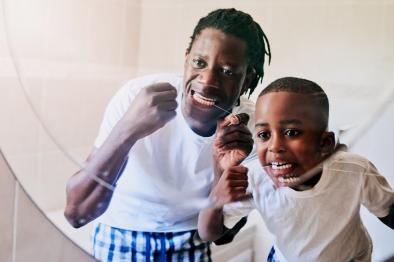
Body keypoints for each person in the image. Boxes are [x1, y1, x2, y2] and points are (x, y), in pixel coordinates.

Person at [64, 8, 271, 261]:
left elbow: (222, 235)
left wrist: (224, 170)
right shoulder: (136, 96)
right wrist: (129, 128)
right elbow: (76, 213)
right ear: (186, 59)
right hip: (118, 232)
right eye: (199, 62)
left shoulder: (253, 131)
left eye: (227, 71)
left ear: (248, 79)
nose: (206, 81)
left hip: (191, 239)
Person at [198, 77, 394, 261]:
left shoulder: (355, 170)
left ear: (325, 144)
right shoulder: (255, 177)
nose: (274, 147)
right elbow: (211, 234)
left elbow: (389, 211)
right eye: (264, 134)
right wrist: (216, 195)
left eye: (291, 132)